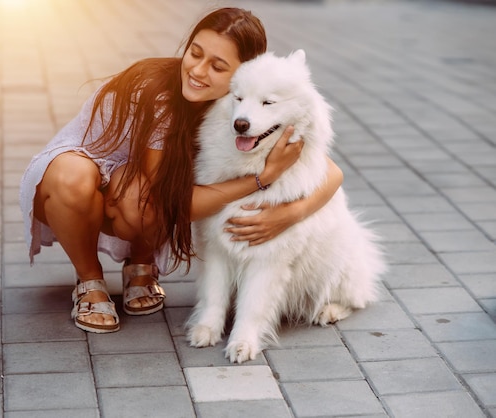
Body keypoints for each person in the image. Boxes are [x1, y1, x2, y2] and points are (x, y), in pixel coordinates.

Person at [19, 7, 343, 334]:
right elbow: (176, 204)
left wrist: (292, 213)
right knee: (82, 178)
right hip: (75, 179)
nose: (198, 71)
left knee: (141, 200)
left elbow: (330, 173)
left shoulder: (243, 107)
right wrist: (261, 179)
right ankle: (89, 281)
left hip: (134, 188)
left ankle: (141, 265)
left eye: (217, 66)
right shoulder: (160, 95)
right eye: (195, 53)